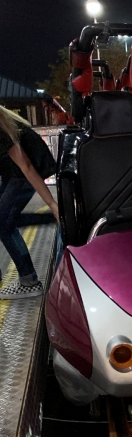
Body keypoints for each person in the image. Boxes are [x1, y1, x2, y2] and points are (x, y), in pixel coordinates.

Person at [0, 106, 59, 299]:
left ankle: (29, 281)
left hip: (22, 176)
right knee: (4, 219)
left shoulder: (2, 127)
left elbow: (26, 166)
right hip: (13, 175)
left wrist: (52, 203)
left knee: (3, 225)